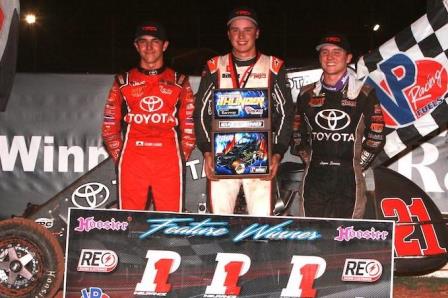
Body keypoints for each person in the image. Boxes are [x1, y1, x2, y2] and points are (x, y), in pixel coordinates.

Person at [194, 7, 294, 216]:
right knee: (219, 222)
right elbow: (201, 112)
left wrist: (277, 153)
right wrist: (206, 150)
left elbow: (286, 113)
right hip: (222, 155)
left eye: (247, 30)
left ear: (257, 33)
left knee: (262, 222)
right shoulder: (214, 67)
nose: (241, 36)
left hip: (260, 156)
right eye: (235, 30)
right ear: (228, 34)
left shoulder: (273, 67)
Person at [102, 21, 195, 211]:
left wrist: (179, 156)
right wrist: (122, 158)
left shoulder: (179, 82)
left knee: (170, 223)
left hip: (168, 161)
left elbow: (189, 125)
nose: (149, 47)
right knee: (130, 222)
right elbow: (109, 126)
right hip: (133, 161)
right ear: (136, 46)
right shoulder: (123, 81)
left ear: (165, 45)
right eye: (143, 42)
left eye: (155, 41)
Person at [293, 33, 385, 218]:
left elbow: (377, 136)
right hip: (315, 178)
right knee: (312, 235)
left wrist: (358, 164)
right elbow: (297, 132)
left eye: (337, 52)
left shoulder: (363, 93)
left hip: (349, 178)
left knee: (346, 239)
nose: (330, 57)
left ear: (348, 57)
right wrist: (308, 159)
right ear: (319, 57)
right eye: (325, 52)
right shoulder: (306, 94)